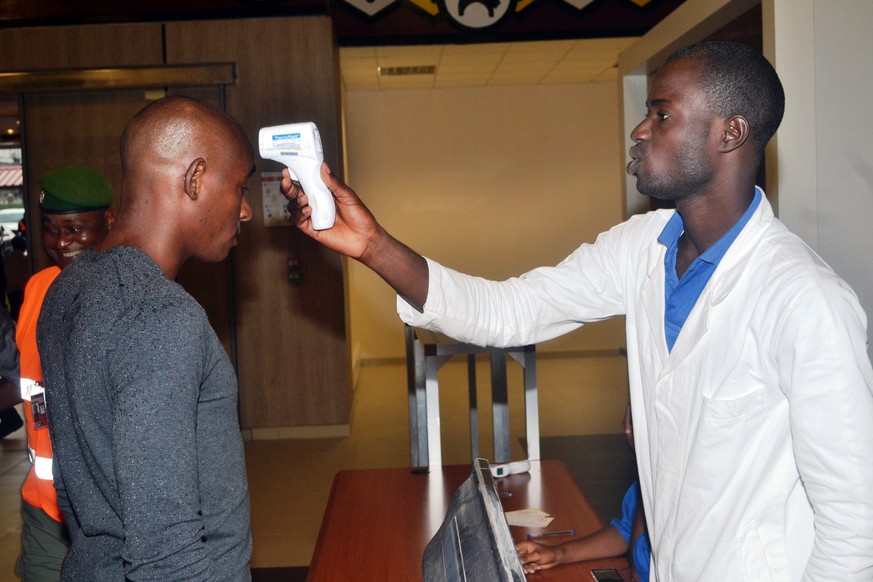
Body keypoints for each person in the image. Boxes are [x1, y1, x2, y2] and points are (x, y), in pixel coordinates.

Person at [282, 41, 873, 580]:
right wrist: (374, 246)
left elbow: (854, 526)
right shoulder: (641, 248)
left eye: (661, 114)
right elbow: (509, 309)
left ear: (730, 133)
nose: (640, 130)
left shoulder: (807, 301)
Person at [36, 95, 254, 580]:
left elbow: (74, 489)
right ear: (195, 178)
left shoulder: (65, 290)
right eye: (239, 187)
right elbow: (165, 555)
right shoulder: (161, 316)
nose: (246, 211)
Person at [15, 166, 116, 581]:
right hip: (45, 509)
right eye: (51, 230)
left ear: (108, 222)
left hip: (106, 514)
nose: (61, 243)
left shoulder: (125, 294)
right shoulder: (37, 287)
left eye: (75, 229)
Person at [516, 407, 650, 581]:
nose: (626, 428)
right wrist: (557, 554)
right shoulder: (642, 484)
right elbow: (624, 532)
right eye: (629, 417)